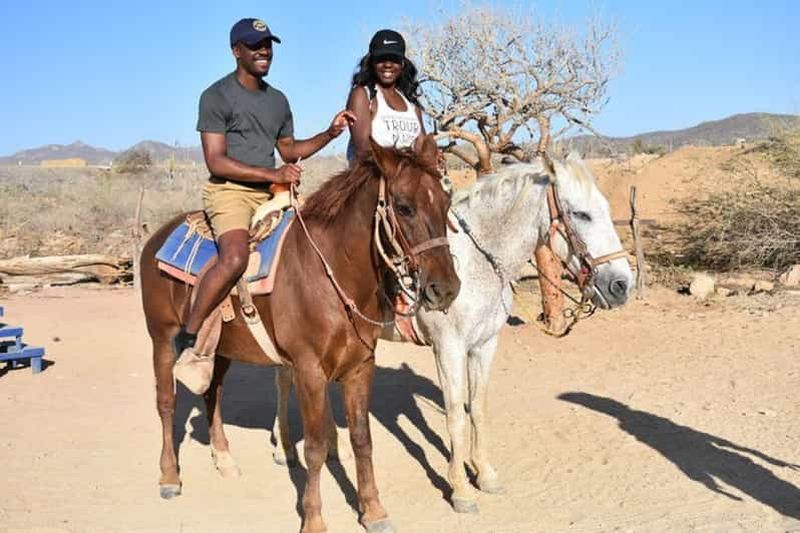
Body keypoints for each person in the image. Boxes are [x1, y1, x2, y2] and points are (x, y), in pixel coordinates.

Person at [172, 18, 356, 376]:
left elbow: (289, 150)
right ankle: (189, 333)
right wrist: (273, 174)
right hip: (230, 193)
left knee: (315, 245)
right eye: (254, 46)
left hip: (272, 194)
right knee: (236, 256)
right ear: (235, 51)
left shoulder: (278, 100)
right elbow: (216, 160)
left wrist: (331, 133)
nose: (264, 52)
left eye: (267, 45)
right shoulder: (215, 96)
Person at [346, 29, 425, 163]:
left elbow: (422, 146)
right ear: (371, 62)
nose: (388, 65)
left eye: (394, 60)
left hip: (410, 178)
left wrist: (433, 155)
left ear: (402, 63)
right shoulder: (363, 95)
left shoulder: (411, 104)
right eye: (381, 59)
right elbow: (363, 152)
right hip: (374, 177)